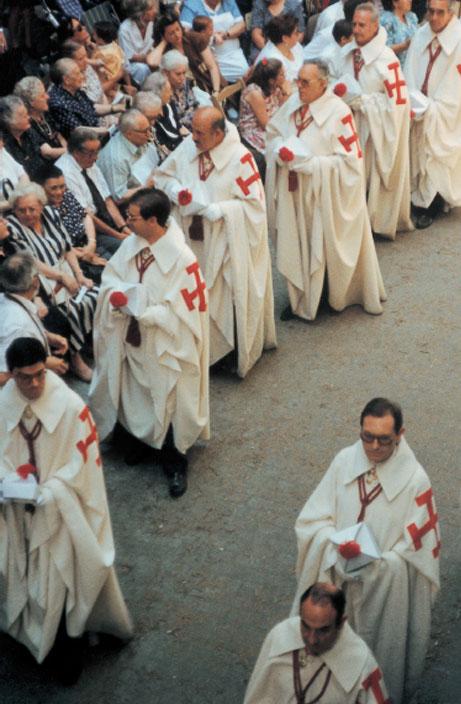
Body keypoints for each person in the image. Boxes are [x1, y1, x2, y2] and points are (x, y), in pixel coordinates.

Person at [0, 337, 133, 680]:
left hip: (61, 516)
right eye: (24, 377)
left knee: (60, 581)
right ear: (10, 375)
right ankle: (29, 633)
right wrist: (6, 484)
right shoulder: (3, 406)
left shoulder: (70, 406)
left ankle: (65, 648)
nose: (34, 383)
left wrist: (54, 491)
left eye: (40, 374)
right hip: (17, 517)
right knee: (24, 576)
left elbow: (84, 464)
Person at [292, 398, 440, 704]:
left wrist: (377, 566)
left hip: (381, 596)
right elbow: (312, 520)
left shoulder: (416, 482)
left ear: (400, 434)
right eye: (367, 437)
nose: (373, 447)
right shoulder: (345, 460)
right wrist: (331, 544)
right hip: (335, 580)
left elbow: (416, 557)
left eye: (384, 440)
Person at [89, 187, 210, 498]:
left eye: (132, 218)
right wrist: (115, 296)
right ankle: (143, 442)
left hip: (165, 341)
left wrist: (147, 313)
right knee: (135, 389)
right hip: (131, 334)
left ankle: (173, 459)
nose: (126, 224)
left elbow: (185, 309)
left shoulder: (182, 258)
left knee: (167, 395)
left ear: (153, 220)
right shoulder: (131, 244)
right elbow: (112, 277)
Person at [155, 106, 277, 378]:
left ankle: (231, 351)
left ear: (218, 133)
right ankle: (202, 351)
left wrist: (222, 210)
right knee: (195, 293)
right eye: (193, 130)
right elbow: (164, 176)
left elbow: (255, 206)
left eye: (199, 132)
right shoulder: (189, 146)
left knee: (226, 294)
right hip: (191, 237)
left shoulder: (240, 157)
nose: (192, 137)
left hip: (225, 241)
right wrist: (175, 190)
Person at [265, 59, 386, 322]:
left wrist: (311, 166)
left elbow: (351, 163)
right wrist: (279, 151)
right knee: (298, 241)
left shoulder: (339, 112)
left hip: (323, 193)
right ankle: (301, 296)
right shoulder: (294, 104)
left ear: (323, 84)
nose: (298, 87)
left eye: (305, 82)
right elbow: (272, 132)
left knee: (322, 243)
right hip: (293, 191)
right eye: (297, 80)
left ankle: (329, 295)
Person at [333, 2, 413, 238]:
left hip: (375, 130)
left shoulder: (386, 59)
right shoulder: (346, 52)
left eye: (362, 25)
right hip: (350, 125)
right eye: (354, 24)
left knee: (372, 176)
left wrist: (364, 103)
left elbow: (398, 103)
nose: (356, 30)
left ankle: (376, 222)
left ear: (375, 26)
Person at [6, 182, 97, 381]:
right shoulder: (11, 226)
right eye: (22, 210)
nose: (28, 213)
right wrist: (61, 276)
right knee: (69, 311)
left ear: (41, 205)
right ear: (14, 210)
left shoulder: (52, 214)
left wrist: (79, 274)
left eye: (33, 208)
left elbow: (67, 248)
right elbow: (29, 260)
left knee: (96, 295)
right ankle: (76, 359)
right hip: (40, 279)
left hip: (65, 270)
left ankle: (93, 342)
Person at [244, 583, 390, 704]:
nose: (312, 640)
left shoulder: (362, 664)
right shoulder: (280, 636)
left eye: (323, 630)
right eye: (306, 626)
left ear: (341, 623)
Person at [403, 0, 461, 229]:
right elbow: (411, 69)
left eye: (439, 13)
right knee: (417, 154)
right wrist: (413, 98)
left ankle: (432, 204)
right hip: (419, 105)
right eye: (430, 11)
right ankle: (417, 198)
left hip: (444, 108)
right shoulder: (420, 34)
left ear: (451, 13)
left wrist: (435, 107)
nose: (434, 17)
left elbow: (455, 83)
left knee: (437, 155)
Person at [56, 127, 131, 256]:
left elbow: (107, 200)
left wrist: (123, 227)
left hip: (107, 219)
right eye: (92, 153)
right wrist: (118, 235)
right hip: (91, 229)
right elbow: (86, 215)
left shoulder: (88, 162)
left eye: (97, 152)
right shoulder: (65, 172)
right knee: (127, 248)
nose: (96, 157)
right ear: (76, 152)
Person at [0, 252, 68, 384]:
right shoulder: (19, 325)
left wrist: (48, 336)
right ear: (35, 282)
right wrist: (43, 363)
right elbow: (3, 376)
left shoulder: (7, 300)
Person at [34, 164, 106, 283]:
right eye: (53, 188)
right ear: (40, 188)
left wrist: (91, 243)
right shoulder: (40, 210)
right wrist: (85, 255)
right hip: (72, 258)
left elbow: (85, 216)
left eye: (62, 186)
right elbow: (56, 245)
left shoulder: (66, 195)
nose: (59, 192)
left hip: (88, 245)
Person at [154, 12, 223, 95]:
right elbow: (152, 62)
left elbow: (212, 66)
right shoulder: (164, 49)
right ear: (163, 35)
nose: (177, 35)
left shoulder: (194, 38)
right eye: (171, 33)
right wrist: (164, 41)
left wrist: (216, 91)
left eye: (178, 29)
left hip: (208, 85)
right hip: (185, 93)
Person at [180, 0, 249, 82]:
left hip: (234, 55)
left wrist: (226, 34)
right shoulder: (192, 4)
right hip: (208, 58)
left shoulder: (229, 2)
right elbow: (185, 33)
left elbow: (241, 25)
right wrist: (209, 36)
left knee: (245, 74)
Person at [98, 109, 154, 205]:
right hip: (128, 205)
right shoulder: (116, 158)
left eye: (150, 129)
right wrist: (146, 187)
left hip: (143, 187)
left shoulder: (139, 140)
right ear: (129, 133)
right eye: (145, 131)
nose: (149, 134)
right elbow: (118, 197)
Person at [13, 76, 67, 162]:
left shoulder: (44, 113)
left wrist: (70, 155)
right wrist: (72, 151)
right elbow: (48, 153)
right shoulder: (27, 125)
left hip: (65, 157)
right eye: (42, 95)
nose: (47, 97)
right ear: (32, 102)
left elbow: (59, 137)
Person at [47, 58, 102, 139]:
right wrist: (104, 130)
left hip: (97, 129)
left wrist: (115, 108)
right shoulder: (57, 103)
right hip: (85, 141)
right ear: (66, 80)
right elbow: (78, 130)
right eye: (77, 73)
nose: (82, 76)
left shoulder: (74, 89)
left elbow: (92, 107)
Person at [0, 95, 48, 178]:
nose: (29, 117)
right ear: (10, 121)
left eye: (27, 114)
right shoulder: (4, 144)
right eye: (24, 116)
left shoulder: (28, 130)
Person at [255, 14, 304, 85]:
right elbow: (283, 87)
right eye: (296, 33)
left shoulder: (295, 46)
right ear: (285, 38)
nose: (298, 35)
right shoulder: (273, 59)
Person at [118, 0, 157, 85]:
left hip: (147, 59)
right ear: (140, 13)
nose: (155, 11)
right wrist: (151, 58)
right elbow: (131, 57)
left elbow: (149, 46)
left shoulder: (150, 23)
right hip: (132, 67)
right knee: (142, 69)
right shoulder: (125, 29)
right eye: (150, 9)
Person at [160, 50, 199, 130]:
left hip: (198, 122)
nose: (182, 77)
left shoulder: (184, 83)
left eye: (184, 73)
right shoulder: (162, 92)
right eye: (178, 74)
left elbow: (195, 105)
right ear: (165, 72)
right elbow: (172, 124)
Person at [379, 0, 418, 67]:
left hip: (413, 66)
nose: (410, 1)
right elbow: (384, 51)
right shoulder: (386, 19)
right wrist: (405, 45)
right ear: (395, 2)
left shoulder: (412, 17)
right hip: (394, 69)